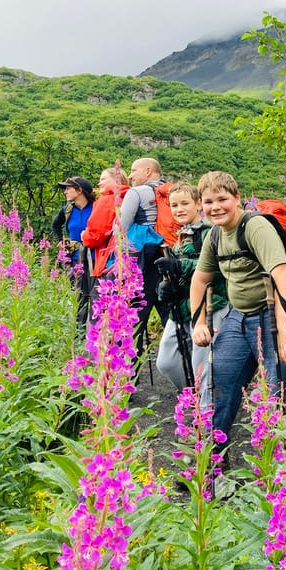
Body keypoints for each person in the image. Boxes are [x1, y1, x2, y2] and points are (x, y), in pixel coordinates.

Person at [189, 171, 286, 462]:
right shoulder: (214, 235)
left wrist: (284, 326)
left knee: (279, 390)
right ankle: (210, 461)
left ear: (237, 199)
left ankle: (285, 472)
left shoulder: (255, 226)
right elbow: (200, 280)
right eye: (209, 201)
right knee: (217, 380)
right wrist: (199, 322)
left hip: (274, 309)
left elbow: (280, 272)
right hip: (241, 315)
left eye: (223, 199)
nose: (216, 207)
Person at [154, 182, 229, 407]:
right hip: (181, 307)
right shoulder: (179, 237)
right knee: (166, 362)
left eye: (185, 203)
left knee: (202, 363)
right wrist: (165, 289)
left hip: (210, 304)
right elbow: (178, 274)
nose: (179, 209)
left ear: (198, 204)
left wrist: (180, 267)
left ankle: (209, 412)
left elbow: (216, 267)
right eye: (174, 205)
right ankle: (194, 396)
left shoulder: (210, 232)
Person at [121, 157, 170, 361]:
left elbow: (121, 227)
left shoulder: (136, 192)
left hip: (142, 261)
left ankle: (128, 373)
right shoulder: (173, 192)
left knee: (136, 317)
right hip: (169, 257)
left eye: (133, 171)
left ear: (148, 171)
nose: (130, 176)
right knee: (170, 314)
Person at [81, 167, 130, 311]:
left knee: (101, 311)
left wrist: (84, 235)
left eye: (103, 179)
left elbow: (95, 236)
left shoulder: (107, 199)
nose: (99, 183)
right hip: (124, 262)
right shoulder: (128, 196)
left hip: (106, 263)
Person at [51, 176, 96, 327]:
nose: (65, 192)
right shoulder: (67, 209)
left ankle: (97, 333)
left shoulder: (96, 207)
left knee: (95, 295)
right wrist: (59, 241)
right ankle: (79, 332)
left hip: (95, 258)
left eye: (68, 188)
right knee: (78, 296)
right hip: (75, 258)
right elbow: (55, 225)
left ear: (79, 190)